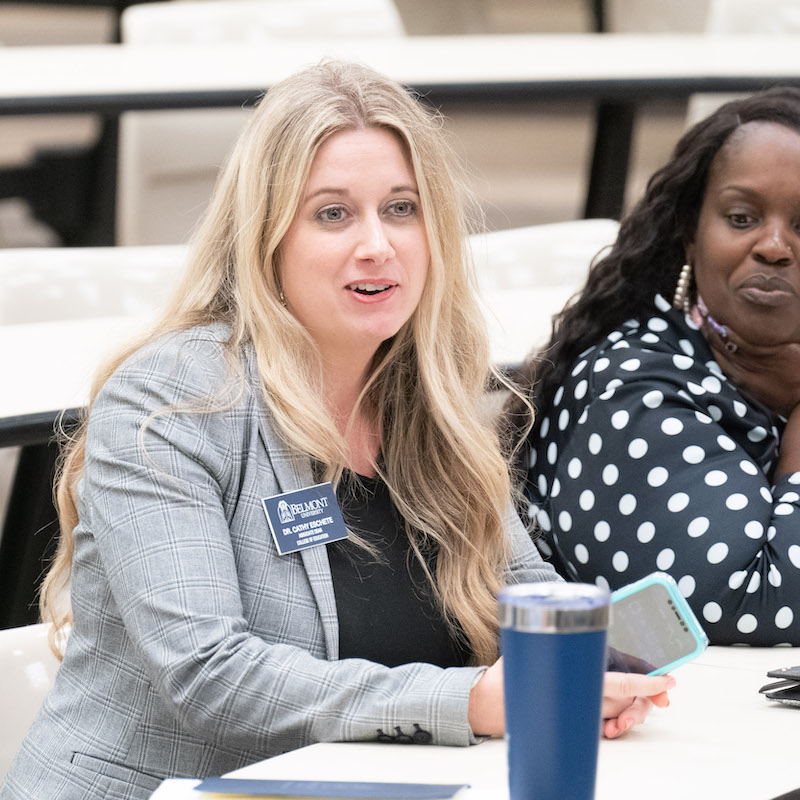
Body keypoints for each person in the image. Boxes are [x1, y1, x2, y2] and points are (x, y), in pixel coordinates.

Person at [1, 62, 671, 800]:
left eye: (401, 208)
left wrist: (585, 672)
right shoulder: (169, 405)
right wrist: (474, 701)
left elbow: (525, 593)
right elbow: (210, 675)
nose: (377, 244)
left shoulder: (427, 400)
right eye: (333, 214)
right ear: (265, 237)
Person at [509, 87, 800, 647]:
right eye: (741, 217)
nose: (773, 246)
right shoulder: (632, 389)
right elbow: (750, 603)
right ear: (691, 232)